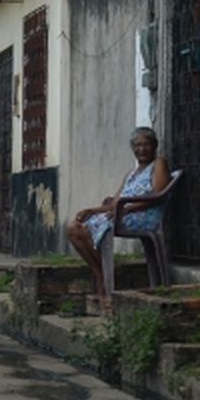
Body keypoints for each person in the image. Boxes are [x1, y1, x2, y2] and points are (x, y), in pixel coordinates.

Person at [64, 127, 172, 314]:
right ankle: (100, 272)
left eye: (146, 144)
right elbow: (116, 202)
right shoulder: (132, 173)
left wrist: (126, 210)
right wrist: (92, 210)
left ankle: (107, 284)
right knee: (74, 228)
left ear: (154, 145)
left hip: (145, 217)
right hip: (124, 213)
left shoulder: (159, 163)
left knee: (96, 227)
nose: (142, 149)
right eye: (137, 145)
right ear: (133, 149)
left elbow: (157, 196)